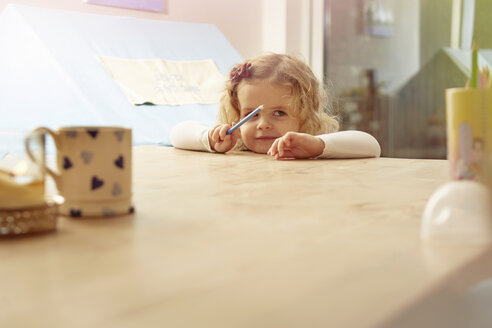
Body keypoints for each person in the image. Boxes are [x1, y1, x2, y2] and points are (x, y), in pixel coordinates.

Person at [170, 53, 381, 159]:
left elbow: (372, 146)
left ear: (306, 113)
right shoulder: (236, 145)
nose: (262, 125)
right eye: (251, 115)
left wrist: (317, 146)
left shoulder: (311, 147)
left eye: (279, 113)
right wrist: (209, 139)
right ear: (237, 111)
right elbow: (177, 133)